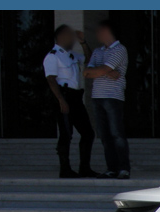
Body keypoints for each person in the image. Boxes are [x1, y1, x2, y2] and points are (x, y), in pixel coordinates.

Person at [43, 25, 98, 178]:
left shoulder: (72, 54)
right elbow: (51, 80)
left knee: (88, 133)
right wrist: (61, 100)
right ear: (60, 37)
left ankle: (84, 168)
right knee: (66, 134)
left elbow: (89, 59)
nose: (72, 39)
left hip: (76, 98)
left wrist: (83, 43)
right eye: (69, 35)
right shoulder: (53, 56)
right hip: (63, 96)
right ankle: (65, 169)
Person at [84, 19, 130, 179]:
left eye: (100, 30)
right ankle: (111, 168)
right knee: (104, 135)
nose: (98, 34)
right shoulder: (97, 51)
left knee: (117, 133)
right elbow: (86, 72)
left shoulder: (119, 49)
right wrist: (107, 71)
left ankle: (123, 168)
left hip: (113, 97)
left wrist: (101, 70)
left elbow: (98, 70)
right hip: (97, 97)